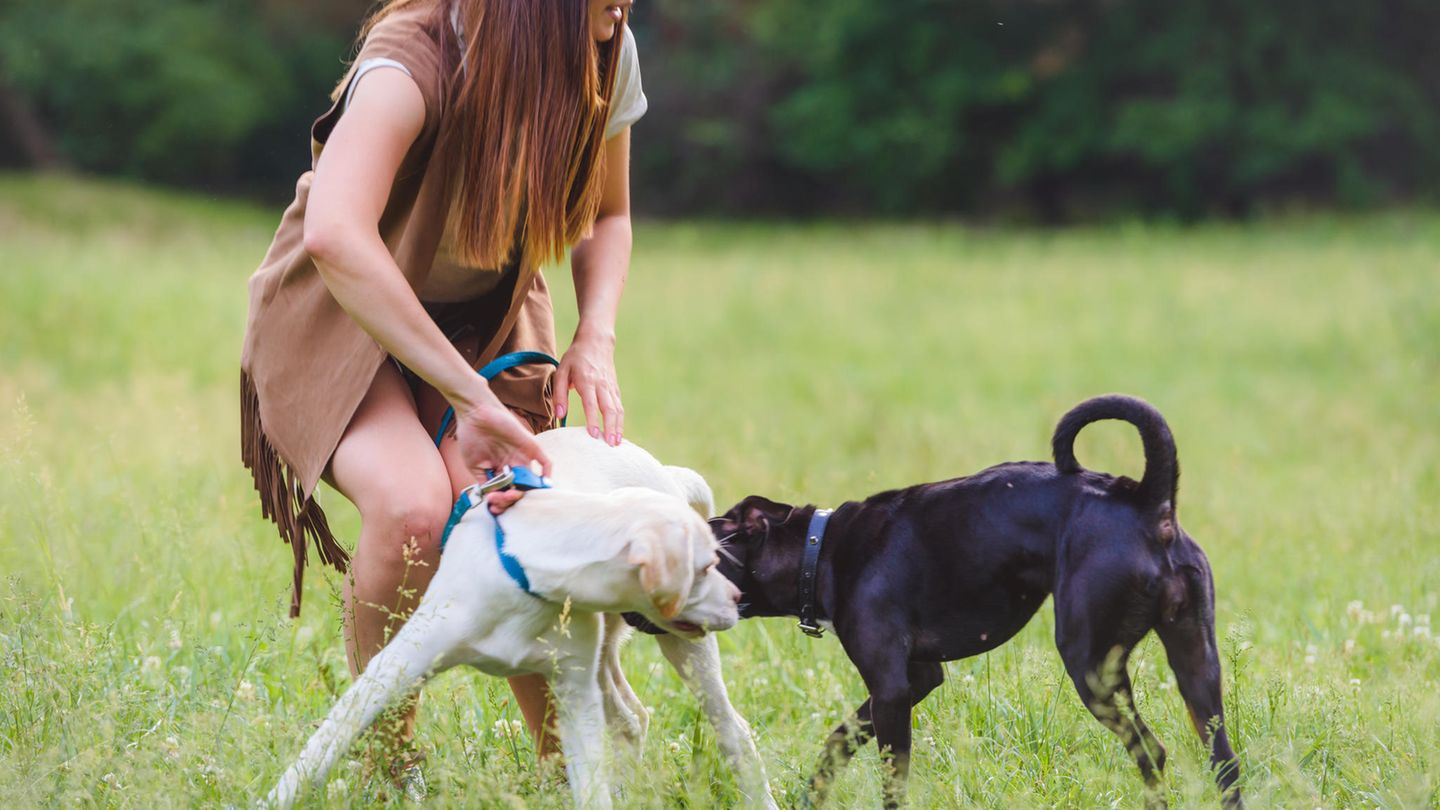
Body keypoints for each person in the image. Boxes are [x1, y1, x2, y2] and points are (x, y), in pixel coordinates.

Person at [239, 0, 645, 790]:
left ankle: (570, 778)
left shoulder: (606, 42)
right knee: (413, 509)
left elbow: (607, 210)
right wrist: (468, 397)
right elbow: (334, 236)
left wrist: (595, 333)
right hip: (344, 306)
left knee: (521, 510)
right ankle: (386, 772)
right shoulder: (411, 59)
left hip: (486, 313)